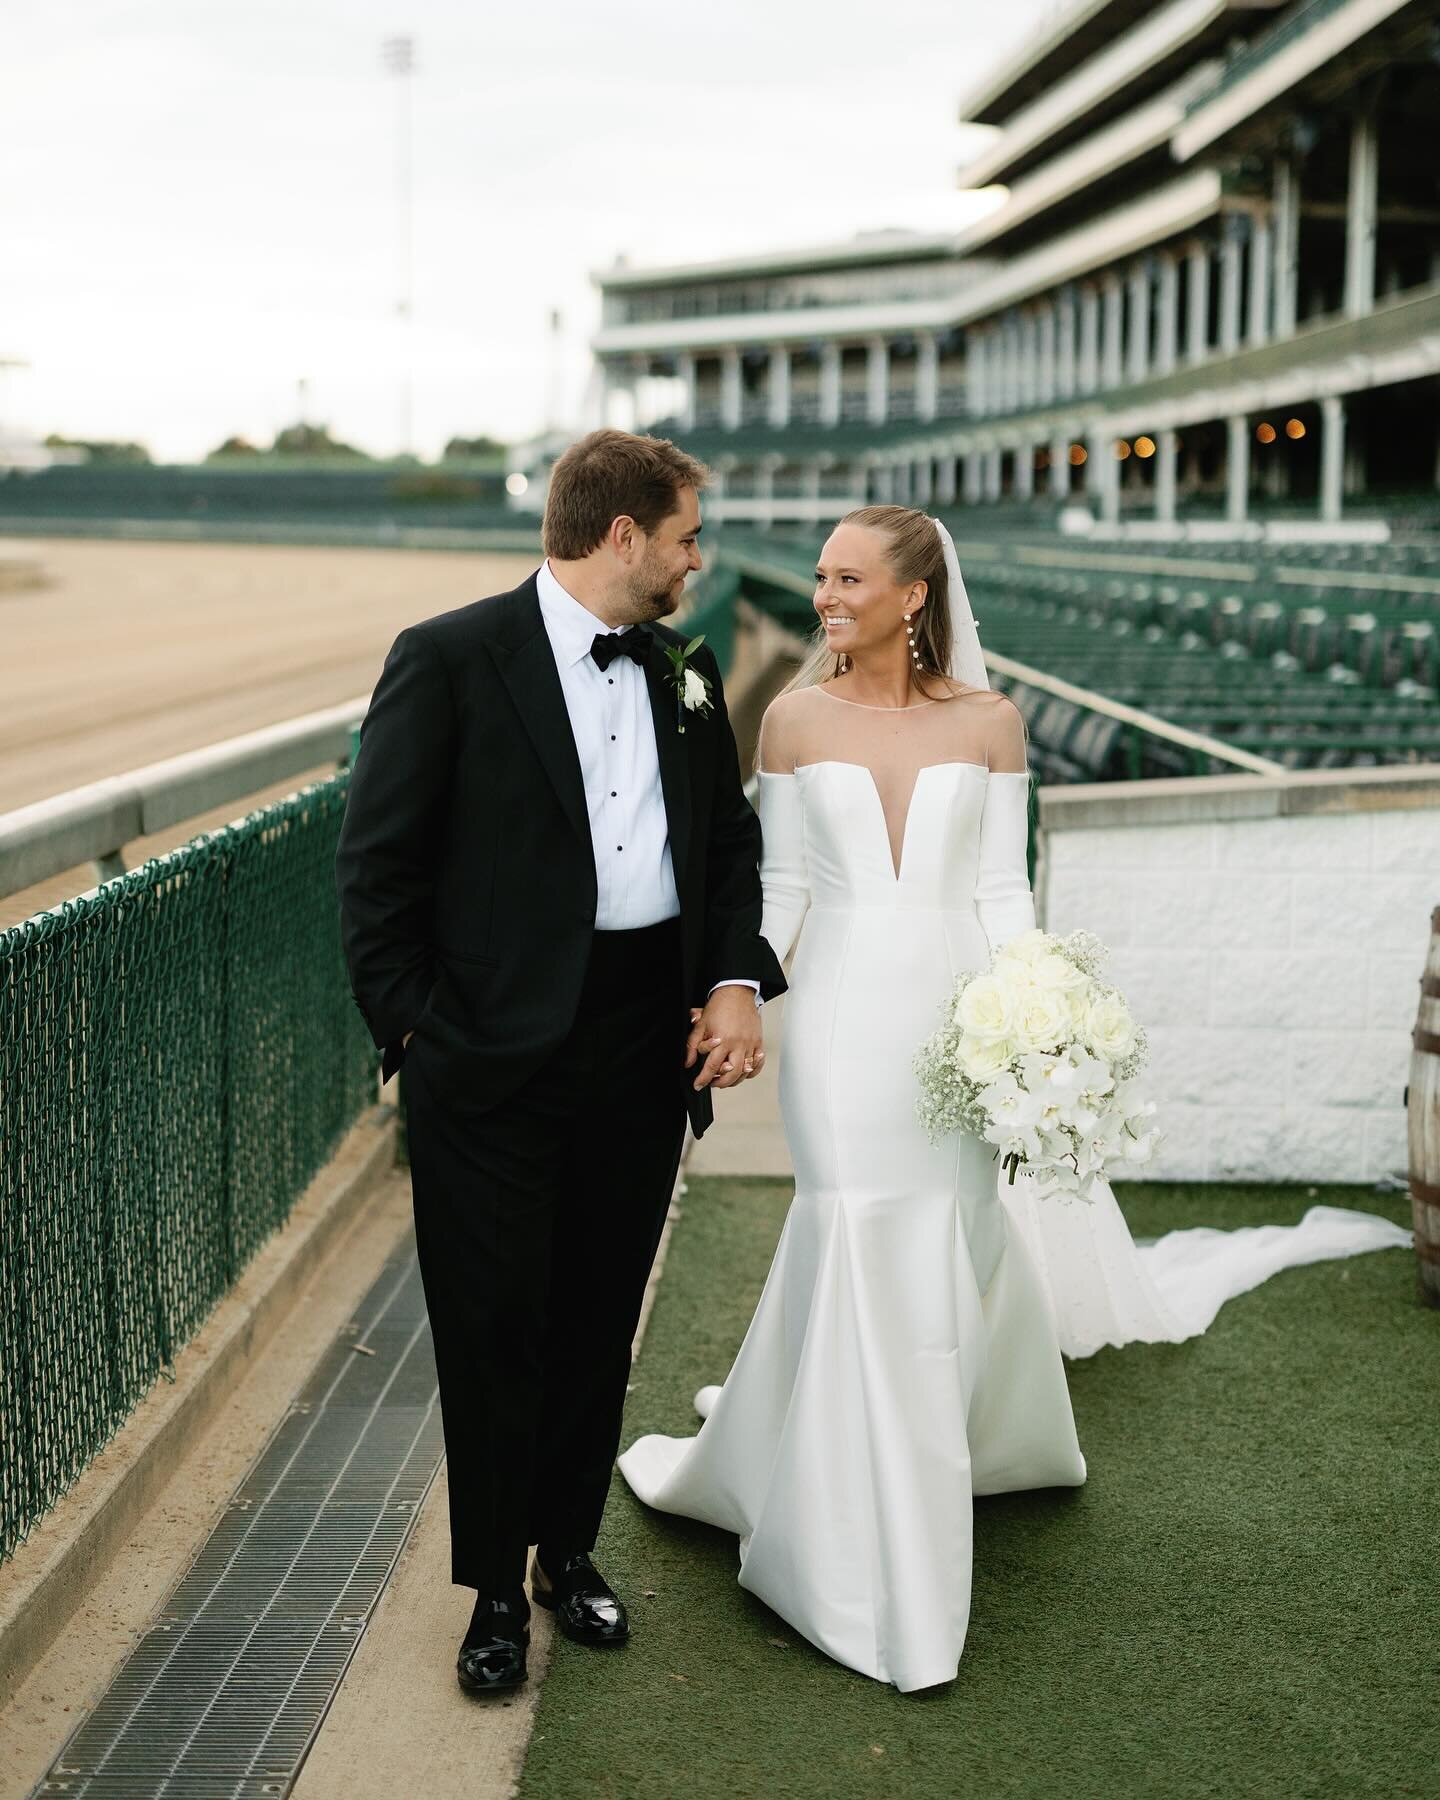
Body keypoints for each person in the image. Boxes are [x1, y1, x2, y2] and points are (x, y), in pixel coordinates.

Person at [617, 504, 1410, 1694]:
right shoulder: (788, 716)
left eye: (846, 579)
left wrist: (1040, 1026)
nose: (824, 596)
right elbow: (778, 886)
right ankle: (846, 1540)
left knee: (944, 1228)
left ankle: (926, 1459)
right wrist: (738, 995)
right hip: (837, 1014)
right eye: (822, 578)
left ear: (914, 596)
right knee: (851, 1220)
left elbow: (1001, 898)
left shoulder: (990, 722)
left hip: (960, 1015)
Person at [335, 429, 785, 1695]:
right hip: (487, 1053)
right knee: (493, 1326)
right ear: (624, 535)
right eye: (688, 537)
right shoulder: (447, 657)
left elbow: (727, 846)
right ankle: (489, 1590)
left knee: (598, 1313)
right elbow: (376, 868)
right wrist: (419, 1029)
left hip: (647, 1040)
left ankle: (566, 1551)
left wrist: (732, 977)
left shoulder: (686, 666)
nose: (702, 561)